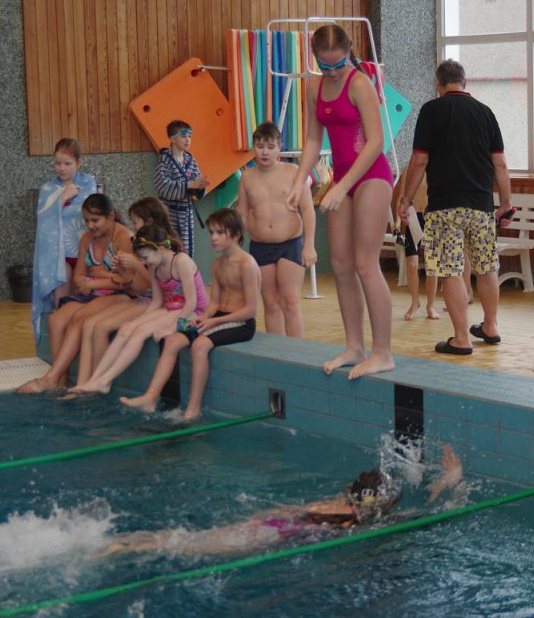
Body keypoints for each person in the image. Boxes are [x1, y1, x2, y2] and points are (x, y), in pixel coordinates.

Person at [106, 444, 463, 557]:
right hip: (271, 535)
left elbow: (287, 511)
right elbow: (427, 515)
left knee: (188, 541)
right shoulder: (361, 520)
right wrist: (452, 482)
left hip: (270, 525)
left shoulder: (338, 503)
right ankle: (121, 547)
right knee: (188, 547)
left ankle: (120, 543)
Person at [285, 24, 394, 379]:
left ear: (348, 53)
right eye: (324, 65)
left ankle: (382, 353)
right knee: (341, 264)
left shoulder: (360, 84)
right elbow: (313, 140)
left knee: (365, 263)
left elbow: (376, 142)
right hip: (342, 179)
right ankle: (354, 346)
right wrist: (298, 181)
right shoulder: (314, 88)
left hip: (372, 175)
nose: (332, 72)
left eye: (337, 64)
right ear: (314, 58)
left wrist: (341, 186)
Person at [396, 60, 511, 355]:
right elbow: (500, 164)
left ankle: (461, 339)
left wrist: (406, 199)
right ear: (465, 81)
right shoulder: (485, 113)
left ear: (438, 83)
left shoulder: (431, 111)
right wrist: (506, 204)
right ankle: (491, 326)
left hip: (444, 206)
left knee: (450, 270)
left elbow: (419, 161)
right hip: (481, 205)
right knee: (487, 267)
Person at [121, 208, 261, 420]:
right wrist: (204, 317)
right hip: (216, 318)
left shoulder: (247, 264)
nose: (213, 238)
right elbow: (214, 303)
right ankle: (150, 397)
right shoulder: (217, 264)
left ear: (236, 235)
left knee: (200, 345)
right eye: (211, 232)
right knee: (172, 340)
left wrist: (214, 320)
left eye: (219, 233)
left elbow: (251, 310)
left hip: (240, 323)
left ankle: (193, 409)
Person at [16, 193, 135, 394]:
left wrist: (96, 281)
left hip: (122, 295)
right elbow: (79, 277)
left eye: (95, 220)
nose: (90, 225)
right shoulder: (87, 239)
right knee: (56, 320)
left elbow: (130, 282)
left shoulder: (123, 237)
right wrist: (94, 281)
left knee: (80, 317)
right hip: (94, 293)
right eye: (86, 221)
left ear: (110, 216)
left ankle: (51, 377)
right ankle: (61, 380)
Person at [70, 224, 209, 395]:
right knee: (126, 328)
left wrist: (172, 328)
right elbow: (157, 301)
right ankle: (96, 380)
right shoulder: (154, 266)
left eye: (145, 257)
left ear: (160, 248)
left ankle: (105, 381)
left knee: (140, 332)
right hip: (171, 308)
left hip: (194, 314)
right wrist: (136, 321)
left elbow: (192, 303)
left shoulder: (181, 261)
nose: (143, 263)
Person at [76, 198, 170, 380]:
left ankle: (97, 382)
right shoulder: (143, 247)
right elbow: (138, 287)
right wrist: (122, 272)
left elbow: (156, 286)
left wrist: (135, 265)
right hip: (144, 299)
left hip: (162, 304)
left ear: (149, 221)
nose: (132, 227)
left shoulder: (166, 250)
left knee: (102, 327)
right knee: (89, 325)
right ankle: (83, 384)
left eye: (135, 222)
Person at [238, 122, 316, 338]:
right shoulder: (247, 177)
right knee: (270, 303)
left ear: (279, 147)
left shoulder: (294, 172)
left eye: (270, 147)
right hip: (260, 246)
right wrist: (233, 245)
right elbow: (242, 213)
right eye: (260, 146)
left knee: (290, 301)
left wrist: (309, 245)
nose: (265, 152)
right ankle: (277, 351)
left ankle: (295, 351)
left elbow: (308, 210)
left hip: (290, 244)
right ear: (253, 147)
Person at [31, 137, 96, 342]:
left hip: (84, 250)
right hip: (59, 253)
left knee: (87, 299)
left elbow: (93, 213)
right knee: (61, 303)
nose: (61, 168)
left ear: (79, 162)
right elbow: (43, 219)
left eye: (67, 163)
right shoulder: (48, 189)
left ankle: (82, 341)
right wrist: (63, 198)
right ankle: (60, 343)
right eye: (57, 163)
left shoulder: (88, 182)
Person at [155, 119, 208, 259]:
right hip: (169, 216)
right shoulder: (164, 160)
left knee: (186, 253)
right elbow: (163, 187)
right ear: (172, 139)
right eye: (183, 136)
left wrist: (200, 187)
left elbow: (196, 185)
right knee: (169, 253)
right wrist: (189, 185)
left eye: (190, 136)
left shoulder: (191, 161)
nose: (188, 139)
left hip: (187, 215)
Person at [394, 167, 439, 321]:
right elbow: (402, 196)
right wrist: (397, 221)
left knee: (431, 264)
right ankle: (415, 302)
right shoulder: (409, 169)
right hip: (413, 217)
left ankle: (430, 305)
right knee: (412, 263)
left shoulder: (437, 165)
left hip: (432, 217)